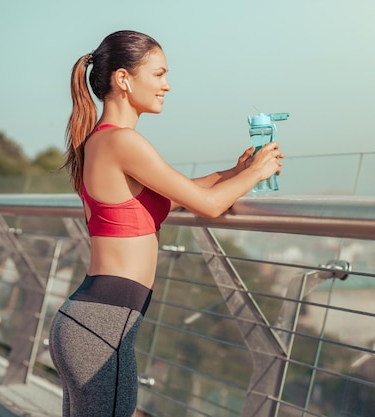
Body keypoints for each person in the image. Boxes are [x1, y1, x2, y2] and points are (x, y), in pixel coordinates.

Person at [48, 30, 283, 417]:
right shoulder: (122, 142)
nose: (167, 85)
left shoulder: (105, 142)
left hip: (91, 323)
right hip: (102, 328)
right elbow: (208, 206)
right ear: (124, 79)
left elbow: (179, 195)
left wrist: (235, 171)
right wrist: (256, 173)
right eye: (158, 75)